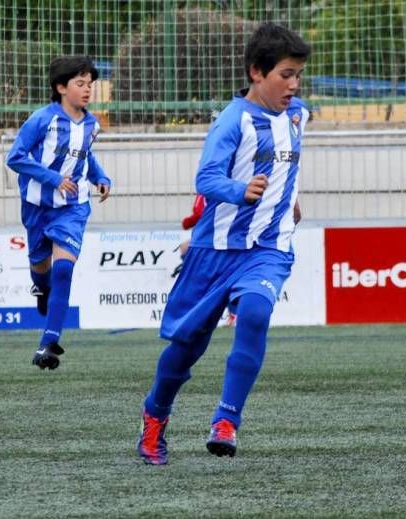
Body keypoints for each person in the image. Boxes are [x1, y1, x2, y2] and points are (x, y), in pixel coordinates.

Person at [137, 23, 311, 464]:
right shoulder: (232, 121)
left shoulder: (297, 115)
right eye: (285, 75)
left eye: (297, 75)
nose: (294, 85)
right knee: (186, 347)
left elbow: (284, 164)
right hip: (213, 252)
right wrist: (240, 191)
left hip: (268, 249)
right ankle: (155, 416)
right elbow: (207, 179)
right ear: (257, 71)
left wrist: (289, 199)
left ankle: (226, 420)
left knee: (255, 312)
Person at [6, 56, 111, 369]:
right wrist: (53, 179)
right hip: (37, 206)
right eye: (80, 84)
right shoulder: (42, 119)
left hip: (73, 208)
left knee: (63, 269)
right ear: (61, 87)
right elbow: (15, 157)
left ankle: (48, 343)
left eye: (90, 84)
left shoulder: (92, 125)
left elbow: (86, 156)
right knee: (40, 264)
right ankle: (40, 285)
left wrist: (101, 178)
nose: (87, 89)